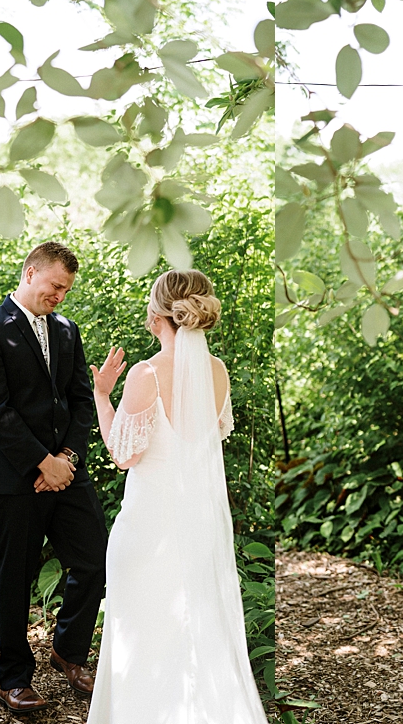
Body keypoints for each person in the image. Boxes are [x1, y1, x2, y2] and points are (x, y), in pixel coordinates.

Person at [87, 269, 267, 723]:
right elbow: (209, 440)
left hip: (148, 528)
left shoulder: (145, 374)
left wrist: (101, 395)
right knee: (198, 633)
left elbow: (124, 455)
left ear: (156, 316)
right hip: (200, 526)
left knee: (144, 635)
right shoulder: (218, 372)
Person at [0, 242, 110, 714]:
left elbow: (81, 399)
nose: (61, 296)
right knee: (15, 578)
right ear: (30, 273)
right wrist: (39, 463)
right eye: (55, 286)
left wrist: (65, 457)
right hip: (15, 477)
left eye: (67, 289)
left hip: (67, 474)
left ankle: (69, 651)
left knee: (95, 561)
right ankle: (15, 679)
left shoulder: (67, 330)